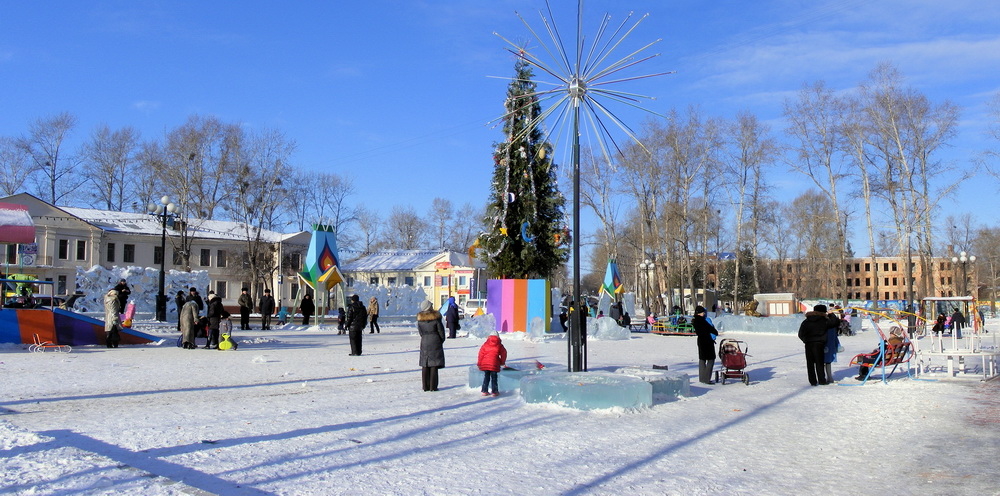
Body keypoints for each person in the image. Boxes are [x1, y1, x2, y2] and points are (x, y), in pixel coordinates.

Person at [798, 304, 834, 386]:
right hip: (819, 343)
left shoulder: (806, 321)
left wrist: (806, 340)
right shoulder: (824, 320)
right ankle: (822, 380)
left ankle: (812, 381)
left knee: (810, 363)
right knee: (819, 362)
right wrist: (831, 314)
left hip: (809, 343)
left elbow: (800, 334)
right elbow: (835, 323)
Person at [417, 300, 446, 392]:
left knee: (425, 364)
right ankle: (433, 386)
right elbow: (441, 331)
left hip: (424, 341)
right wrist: (440, 340)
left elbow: (420, 332)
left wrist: (425, 338)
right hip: (435, 341)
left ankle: (425, 386)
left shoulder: (420, 319)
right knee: (434, 364)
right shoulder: (436, 318)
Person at [692, 305, 718, 384]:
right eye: (702, 312)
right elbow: (711, 329)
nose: (704, 313)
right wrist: (715, 332)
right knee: (711, 359)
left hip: (700, 341)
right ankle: (706, 378)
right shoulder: (703, 321)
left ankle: (702, 378)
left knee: (702, 359)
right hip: (707, 341)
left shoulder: (695, 321)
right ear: (699, 313)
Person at [824, 315, 842, 383]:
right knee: (828, 362)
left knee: (821, 362)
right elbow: (835, 337)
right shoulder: (834, 327)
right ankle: (829, 377)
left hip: (823, 345)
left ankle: (823, 377)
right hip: (831, 346)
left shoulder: (825, 325)